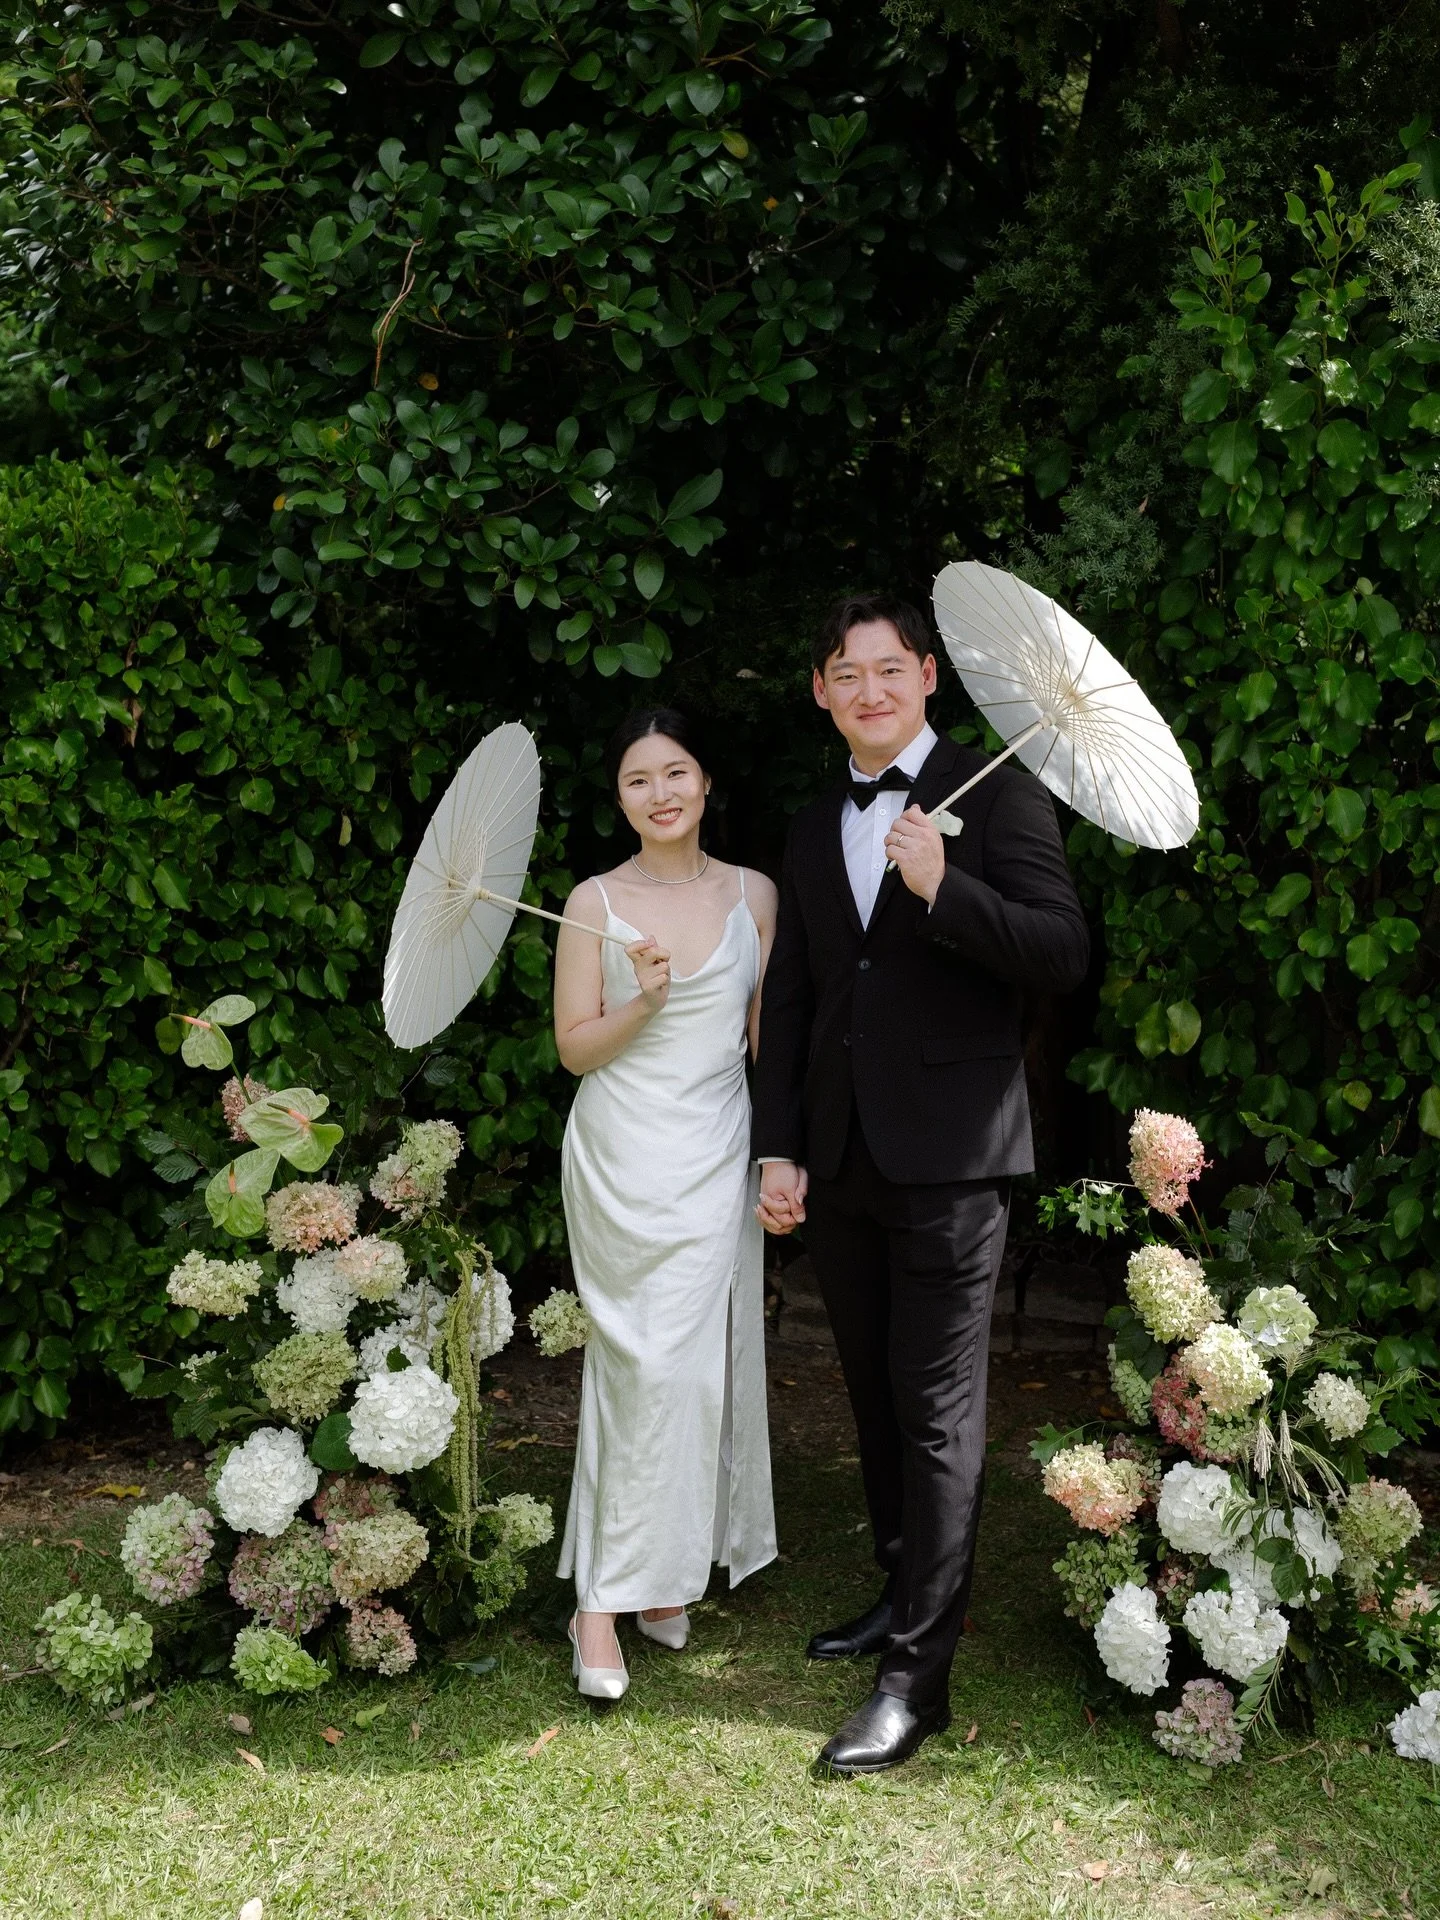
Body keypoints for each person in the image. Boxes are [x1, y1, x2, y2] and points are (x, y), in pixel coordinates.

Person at [752, 592, 1090, 1774]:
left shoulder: (1000, 793)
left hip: (955, 1154)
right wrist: (778, 1144)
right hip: (840, 1156)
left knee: (940, 1414)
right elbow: (795, 993)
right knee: (873, 1395)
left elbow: (1060, 949)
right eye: (847, 673)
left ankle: (917, 1683)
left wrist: (948, 887)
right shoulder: (807, 826)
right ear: (821, 692)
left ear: (929, 677)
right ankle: (903, 1594)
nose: (870, 689)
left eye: (889, 669)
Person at [553, 707, 780, 1700]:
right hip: (619, 1155)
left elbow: (761, 1042)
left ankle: (663, 1579)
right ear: (621, 798)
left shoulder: (755, 895)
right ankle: (596, 1603)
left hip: (715, 1147)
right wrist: (642, 999)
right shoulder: (591, 902)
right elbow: (573, 1048)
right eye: (640, 779)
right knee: (633, 1363)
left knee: (693, 1371)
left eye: (676, 772)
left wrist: (781, 1159)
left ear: (706, 783)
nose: (662, 793)